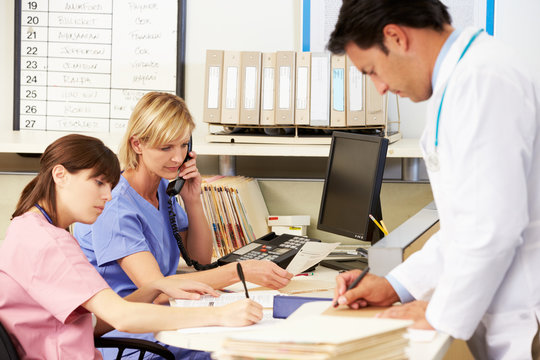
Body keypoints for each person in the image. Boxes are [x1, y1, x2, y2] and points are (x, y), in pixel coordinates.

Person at [327, 0, 540, 358]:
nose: (378, 87)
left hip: (525, 318)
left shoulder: (482, 80)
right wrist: (395, 285)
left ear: (395, 37)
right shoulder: (459, 82)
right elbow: (464, 226)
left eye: (372, 70)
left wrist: (439, 311)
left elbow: (491, 230)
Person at [0, 134, 263, 360]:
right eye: (99, 182)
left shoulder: (26, 227)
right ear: (60, 175)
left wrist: (154, 287)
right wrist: (220, 316)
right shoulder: (52, 244)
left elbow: (90, 322)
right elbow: (122, 318)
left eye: (111, 186)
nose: (108, 195)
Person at [74, 92, 293, 358]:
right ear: (138, 144)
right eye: (166, 148)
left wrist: (193, 200)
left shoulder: (164, 188)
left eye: (182, 145)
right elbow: (158, 288)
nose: (177, 158)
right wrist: (241, 270)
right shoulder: (115, 205)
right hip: (130, 337)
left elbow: (198, 258)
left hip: (164, 319)